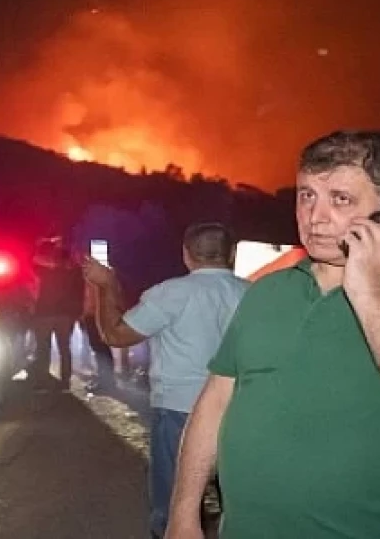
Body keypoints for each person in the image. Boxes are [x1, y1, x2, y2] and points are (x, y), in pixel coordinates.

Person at [166, 131, 380, 539]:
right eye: (306, 195)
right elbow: (215, 402)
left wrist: (369, 293)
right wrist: (183, 515)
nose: (314, 217)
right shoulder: (267, 292)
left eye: (340, 199)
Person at [82, 223, 249, 539]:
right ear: (231, 254)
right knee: (237, 498)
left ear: (186, 254)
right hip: (239, 408)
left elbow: (116, 335)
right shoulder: (253, 294)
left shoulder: (170, 293)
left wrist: (104, 287)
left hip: (179, 408)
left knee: (175, 500)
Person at [28, 238, 86, 390]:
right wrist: (77, 312)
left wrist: (45, 241)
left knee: (43, 349)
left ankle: (42, 382)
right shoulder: (75, 272)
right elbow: (79, 292)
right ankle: (65, 382)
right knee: (65, 348)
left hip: (44, 313)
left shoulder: (44, 269)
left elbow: (31, 259)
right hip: (65, 315)